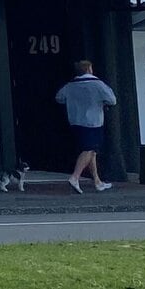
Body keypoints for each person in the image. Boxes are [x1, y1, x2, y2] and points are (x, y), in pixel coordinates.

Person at [54, 59, 118, 192]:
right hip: (93, 122)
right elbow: (112, 100)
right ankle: (75, 177)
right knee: (89, 149)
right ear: (89, 69)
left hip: (76, 120)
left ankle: (97, 181)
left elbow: (59, 98)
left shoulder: (70, 85)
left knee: (91, 151)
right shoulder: (98, 84)